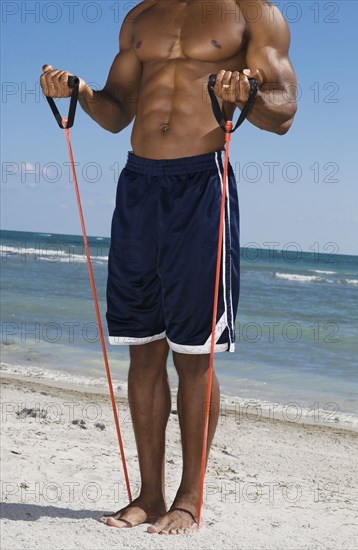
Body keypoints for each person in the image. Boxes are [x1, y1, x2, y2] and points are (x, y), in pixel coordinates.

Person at [40, 0, 297, 535]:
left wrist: (247, 95)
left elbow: (285, 112)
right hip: (138, 186)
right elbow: (116, 114)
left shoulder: (253, 14)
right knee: (143, 347)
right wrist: (81, 92)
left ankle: (189, 498)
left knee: (195, 353)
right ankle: (149, 493)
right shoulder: (140, 17)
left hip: (202, 185)